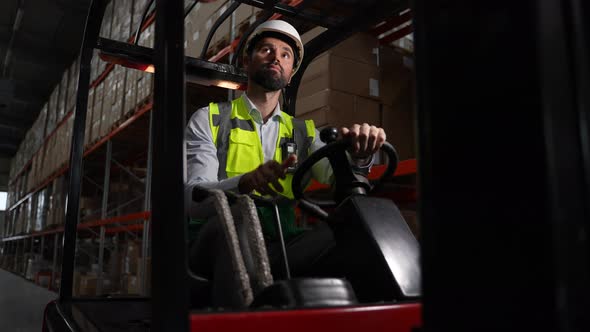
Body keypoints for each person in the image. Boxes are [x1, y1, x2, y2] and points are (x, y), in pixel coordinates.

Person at [184, 20, 387, 305]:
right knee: (240, 214)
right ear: (247, 61)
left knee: (357, 224)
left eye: (285, 54)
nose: (276, 57)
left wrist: (361, 152)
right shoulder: (210, 119)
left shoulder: (305, 132)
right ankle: (248, 322)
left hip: (279, 244)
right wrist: (243, 184)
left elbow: (339, 178)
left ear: (291, 73)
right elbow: (193, 195)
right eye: (266, 49)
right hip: (215, 242)